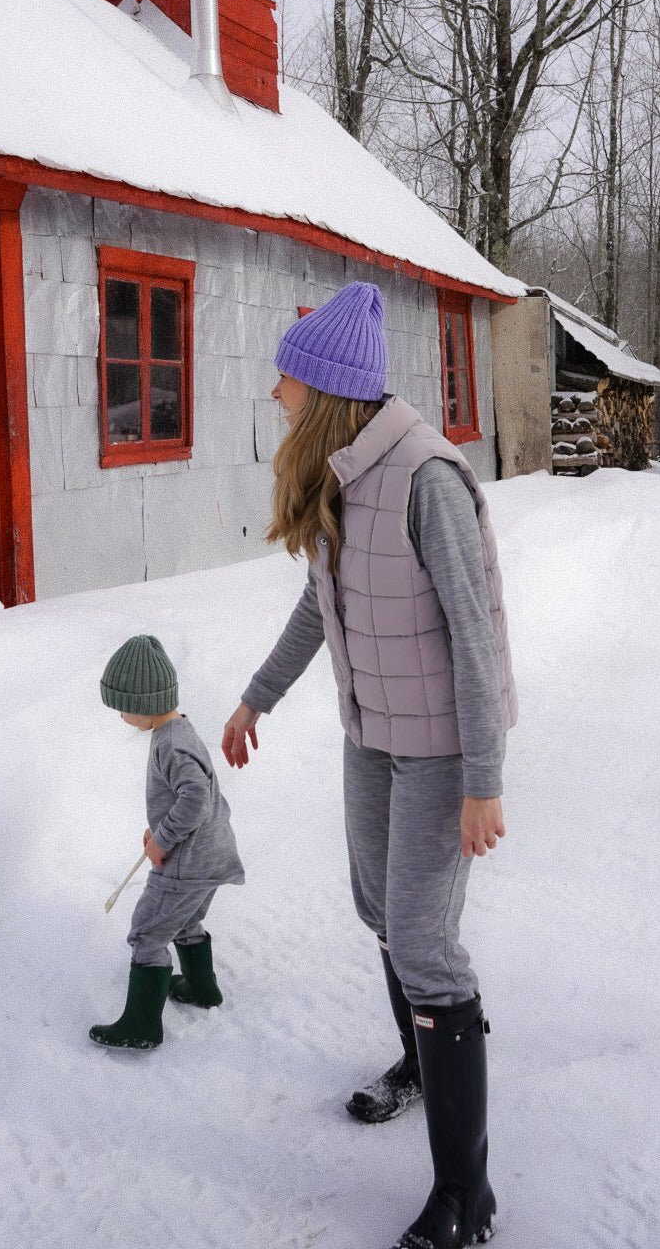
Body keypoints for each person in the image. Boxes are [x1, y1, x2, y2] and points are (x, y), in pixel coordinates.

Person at [223, 281, 517, 1249]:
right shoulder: (342, 474)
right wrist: (255, 695)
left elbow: (474, 641)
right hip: (371, 736)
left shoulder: (428, 479)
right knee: (382, 913)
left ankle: (463, 1196)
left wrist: (483, 777)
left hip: (440, 749)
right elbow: (320, 605)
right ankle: (418, 1058)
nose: (276, 395)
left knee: (428, 948)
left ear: (327, 390)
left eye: (287, 379)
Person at [90, 633, 244, 1051]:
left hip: (186, 864)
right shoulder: (181, 731)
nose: (121, 715)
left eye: (123, 706)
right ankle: (201, 989)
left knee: (147, 933)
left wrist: (163, 839)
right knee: (186, 921)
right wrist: (160, 830)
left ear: (143, 703)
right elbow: (190, 798)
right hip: (211, 856)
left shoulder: (171, 745)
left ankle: (141, 1026)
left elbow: (194, 798)